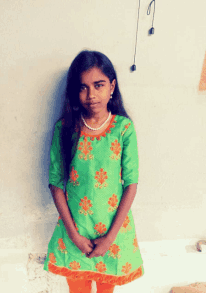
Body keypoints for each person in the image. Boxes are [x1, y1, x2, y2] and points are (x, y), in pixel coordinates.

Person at [43, 50, 144, 293]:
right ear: (75, 93)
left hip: (113, 234)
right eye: (83, 87)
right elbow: (55, 184)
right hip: (75, 233)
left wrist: (109, 238)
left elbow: (131, 183)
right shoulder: (66, 129)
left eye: (98, 85)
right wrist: (74, 235)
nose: (91, 95)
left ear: (112, 86)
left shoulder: (123, 129)